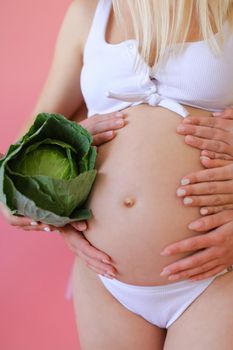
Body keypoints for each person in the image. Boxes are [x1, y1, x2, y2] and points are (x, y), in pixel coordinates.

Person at [1, 0, 233, 349]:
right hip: (105, 279)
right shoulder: (89, 12)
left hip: (216, 273)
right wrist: (54, 213)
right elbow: (18, 161)